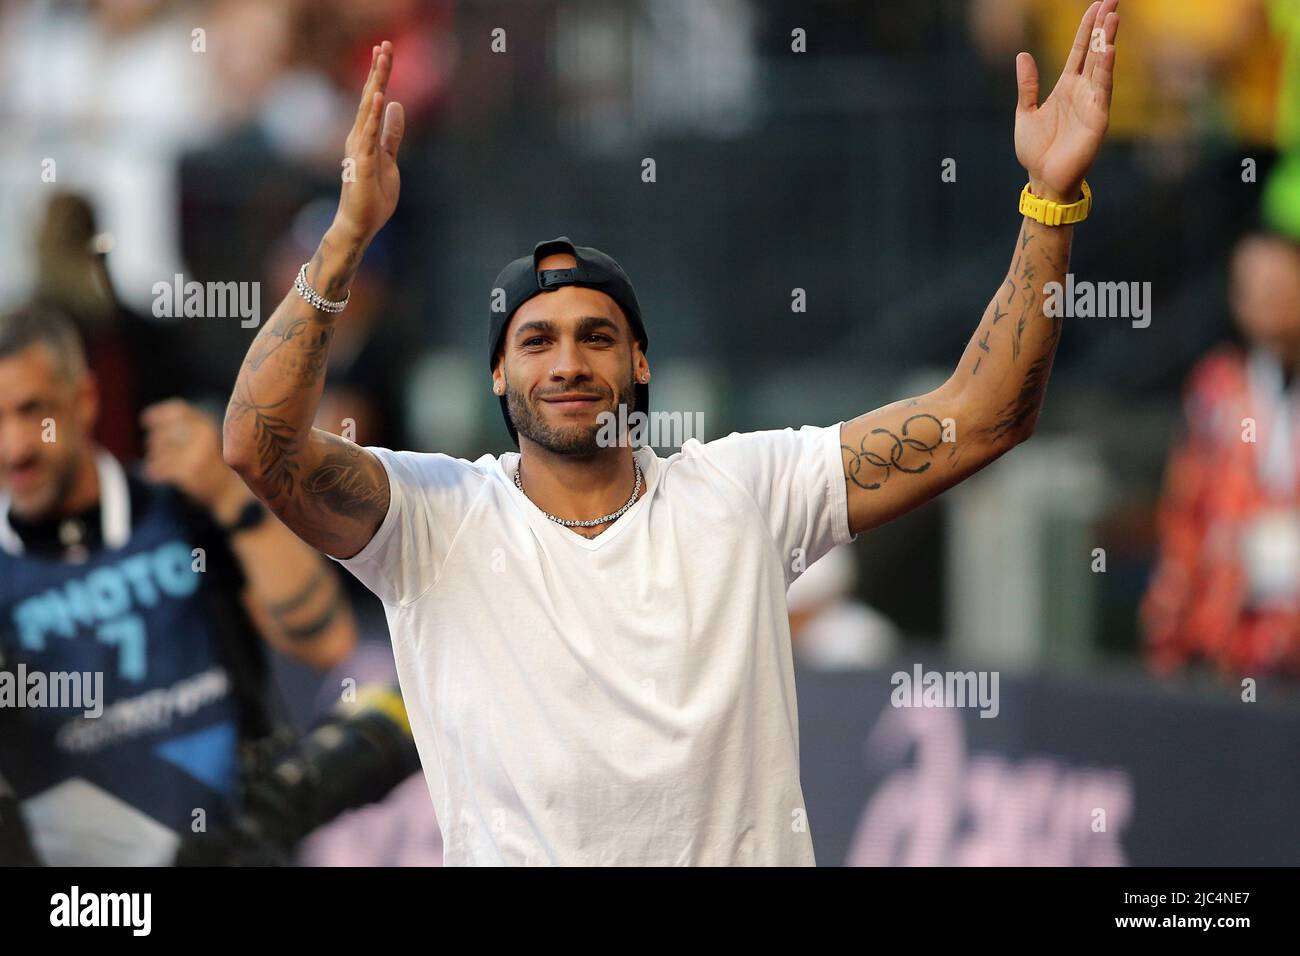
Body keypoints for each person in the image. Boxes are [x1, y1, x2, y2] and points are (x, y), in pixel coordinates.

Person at [223, 3, 1120, 866]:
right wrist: (343, 242)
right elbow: (258, 450)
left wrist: (1049, 197)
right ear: (498, 374)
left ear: (641, 364)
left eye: (597, 336)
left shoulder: (746, 489)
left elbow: (986, 412)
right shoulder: (437, 516)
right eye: (536, 341)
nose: (567, 362)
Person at [0, 307, 357, 865]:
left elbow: (328, 643)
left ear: (84, 400)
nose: (16, 445)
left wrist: (230, 495)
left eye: (32, 411)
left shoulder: (185, 502)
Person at [1141, 230, 1300, 678]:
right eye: (1251, 286)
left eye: (1280, 284)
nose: (1266, 298)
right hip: (1229, 630)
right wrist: (1168, 626)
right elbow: (1185, 510)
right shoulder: (1218, 387)